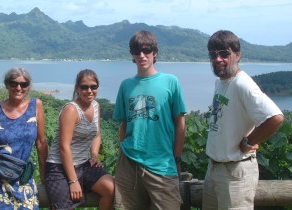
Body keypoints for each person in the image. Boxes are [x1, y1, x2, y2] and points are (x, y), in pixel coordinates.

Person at [202, 30, 284, 209]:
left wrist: (248, 142)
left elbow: (275, 117)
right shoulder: (221, 82)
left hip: (235, 173)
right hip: (215, 169)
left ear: (237, 55)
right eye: (213, 55)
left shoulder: (242, 83)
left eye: (224, 53)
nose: (218, 59)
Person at [113, 30, 187, 210]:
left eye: (146, 51)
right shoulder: (126, 85)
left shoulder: (171, 82)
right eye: (137, 51)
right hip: (129, 162)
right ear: (132, 55)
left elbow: (180, 124)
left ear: (155, 53)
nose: (142, 56)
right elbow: (124, 125)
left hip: (162, 164)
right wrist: (123, 152)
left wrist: (176, 159)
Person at [0, 67, 48, 210]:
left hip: (20, 179)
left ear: (28, 87)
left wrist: (45, 178)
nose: (18, 88)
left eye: (23, 84)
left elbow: (41, 143)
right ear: (7, 85)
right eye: (13, 84)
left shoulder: (36, 106)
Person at [45, 69, 114, 210]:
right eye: (84, 87)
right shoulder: (71, 110)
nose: (89, 91)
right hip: (59, 166)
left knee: (111, 189)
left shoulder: (96, 105)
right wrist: (73, 180)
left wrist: (94, 155)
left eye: (93, 87)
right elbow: (64, 147)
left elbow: (97, 133)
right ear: (77, 88)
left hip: (83, 164)